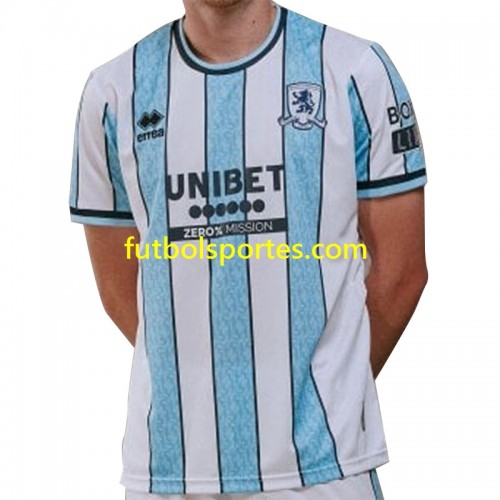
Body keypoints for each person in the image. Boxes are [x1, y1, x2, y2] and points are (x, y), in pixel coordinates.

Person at [69, 0, 428, 498]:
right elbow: (118, 285)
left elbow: (401, 273)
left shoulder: (355, 70)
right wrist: (201, 386)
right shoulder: (113, 93)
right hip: (171, 465)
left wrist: (332, 392)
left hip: (325, 466)